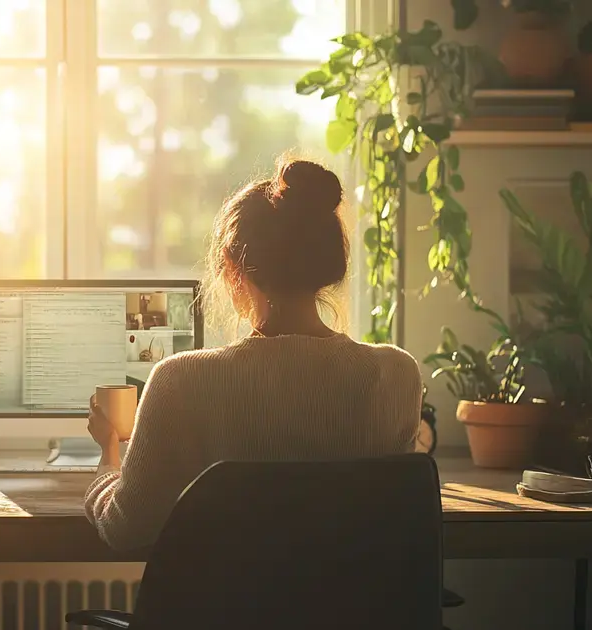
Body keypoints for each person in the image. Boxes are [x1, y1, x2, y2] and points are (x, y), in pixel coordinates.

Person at [83, 157, 423, 552]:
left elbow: (128, 531)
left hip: (226, 615)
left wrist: (109, 459)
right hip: (355, 615)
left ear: (232, 268)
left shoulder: (180, 381)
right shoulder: (397, 374)